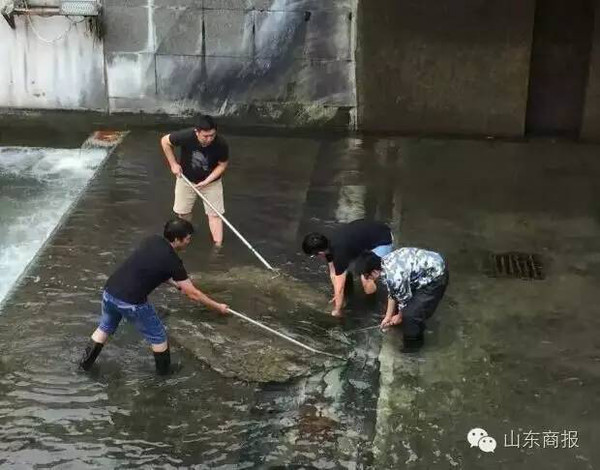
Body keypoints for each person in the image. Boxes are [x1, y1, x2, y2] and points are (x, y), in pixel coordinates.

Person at [79, 218, 228, 375]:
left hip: (110, 292)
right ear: (177, 239)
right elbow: (194, 294)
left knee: (105, 327)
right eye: (188, 239)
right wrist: (218, 307)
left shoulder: (152, 241)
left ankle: (84, 365)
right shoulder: (173, 262)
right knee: (158, 336)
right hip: (131, 303)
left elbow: (153, 268)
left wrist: (177, 285)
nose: (189, 242)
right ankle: (164, 377)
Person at [356, 248, 449, 352]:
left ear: (374, 272)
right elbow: (392, 292)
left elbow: (404, 301)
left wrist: (400, 316)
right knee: (404, 309)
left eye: (367, 276)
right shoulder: (386, 263)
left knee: (410, 315)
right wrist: (388, 317)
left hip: (436, 276)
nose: (367, 279)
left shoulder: (395, 276)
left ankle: (413, 346)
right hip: (427, 266)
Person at [160, 115, 229, 247]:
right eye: (205, 136)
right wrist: (173, 164)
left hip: (212, 183)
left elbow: (222, 165)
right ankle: (187, 235)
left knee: (215, 215)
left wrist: (207, 181)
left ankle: (218, 247)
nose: (209, 139)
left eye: (212, 135)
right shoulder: (186, 136)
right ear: (197, 132)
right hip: (186, 179)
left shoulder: (221, 144)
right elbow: (165, 141)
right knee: (183, 212)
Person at [302, 219, 394, 317]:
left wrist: (337, 310)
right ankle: (347, 297)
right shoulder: (329, 246)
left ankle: (371, 307)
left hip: (382, 240)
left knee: (366, 279)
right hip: (368, 236)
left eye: (313, 255)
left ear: (320, 253)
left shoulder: (339, 253)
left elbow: (340, 286)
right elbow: (333, 273)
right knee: (346, 272)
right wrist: (336, 295)